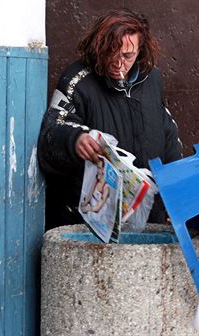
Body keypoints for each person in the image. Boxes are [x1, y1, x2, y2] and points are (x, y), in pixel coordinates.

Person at [38, 8, 183, 231]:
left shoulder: (151, 78)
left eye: (127, 56)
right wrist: (75, 139)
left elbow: (169, 138)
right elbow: (50, 134)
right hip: (90, 222)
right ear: (98, 48)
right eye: (110, 54)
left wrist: (177, 204)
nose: (118, 64)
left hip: (147, 217)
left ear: (141, 50)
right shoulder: (78, 79)